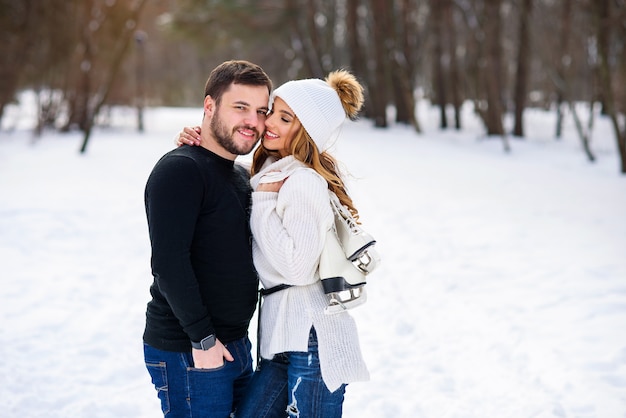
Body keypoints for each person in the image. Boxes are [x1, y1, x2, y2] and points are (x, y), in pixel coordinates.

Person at [178, 69, 370, 417]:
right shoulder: (274, 172)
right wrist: (198, 142)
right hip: (283, 336)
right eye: (272, 112)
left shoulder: (303, 183)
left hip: (312, 336)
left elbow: (297, 269)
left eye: (285, 118)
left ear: (308, 130)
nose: (269, 123)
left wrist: (265, 202)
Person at [143, 60, 272, 418]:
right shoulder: (181, 169)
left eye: (261, 111)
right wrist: (203, 341)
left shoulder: (240, 176)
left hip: (234, 343)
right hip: (191, 348)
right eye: (240, 107)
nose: (252, 121)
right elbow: (169, 263)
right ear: (209, 106)